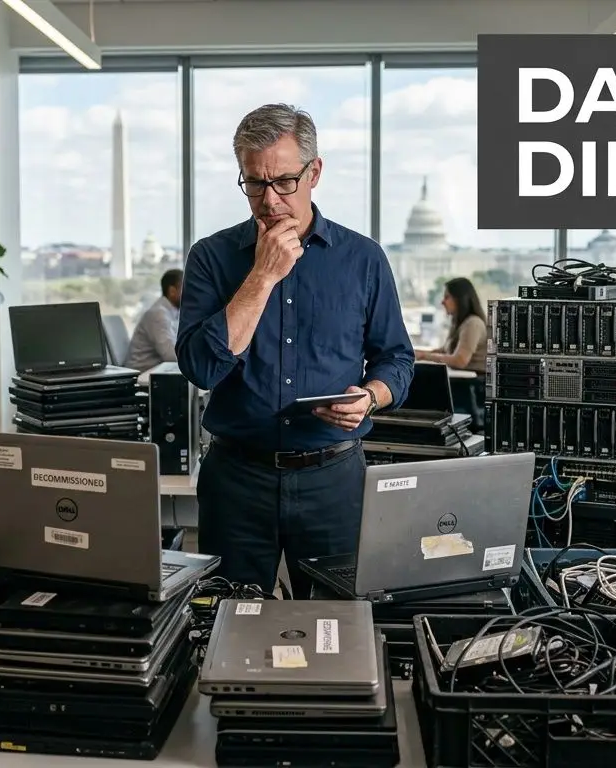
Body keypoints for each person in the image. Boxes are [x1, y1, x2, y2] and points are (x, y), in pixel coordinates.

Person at [176, 103, 414, 598]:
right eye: (254, 183)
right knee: (226, 621)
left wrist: (370, 397)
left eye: (284, 181)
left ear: (314, 172)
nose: (269, 200)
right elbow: (200, 368)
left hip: (334, 480)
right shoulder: (211, 257)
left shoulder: (363, 259)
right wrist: (262, 276)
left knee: (340, 623)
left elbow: (397, 359)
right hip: (236, 482)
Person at [416, 277, 488, 374]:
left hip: (471, 381)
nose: (442, 302)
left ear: (460, 299)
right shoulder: (459, 323)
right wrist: (414, 353)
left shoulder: (473, 323)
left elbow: (460, 361)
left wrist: (423, 356)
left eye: (447, 297)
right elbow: (444, 351)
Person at [125, 268, 183, 371]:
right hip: (142, 374)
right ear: (172, 291)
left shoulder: (171, 313)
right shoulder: (158, 315)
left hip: (156, 370)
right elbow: (171, 356)